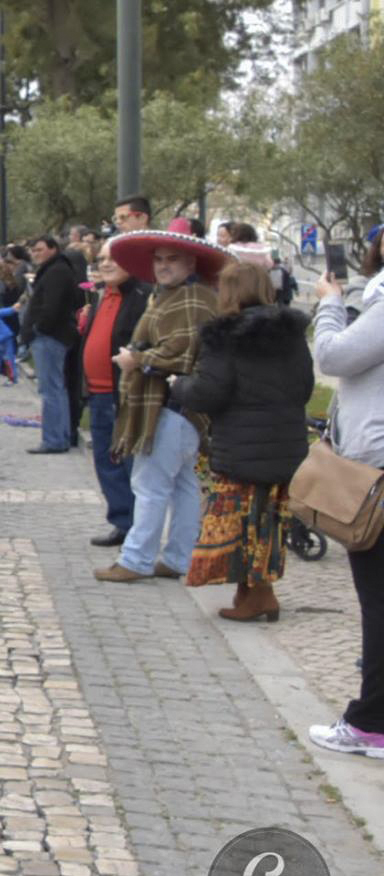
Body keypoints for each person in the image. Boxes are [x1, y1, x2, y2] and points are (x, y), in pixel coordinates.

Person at [170, 262, 313, 622]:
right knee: (268, 520)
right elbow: (306, 387)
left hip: (242, 446)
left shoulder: (225, 336)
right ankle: (251, 592)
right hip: (286, 443)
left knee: (243, 523)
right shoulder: (291, 334)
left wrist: (178, 385)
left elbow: (209, 392)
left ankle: (260, 595)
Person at [94, 231, 225, 584]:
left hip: (170, 406)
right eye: (159, 259)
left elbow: (180, 353)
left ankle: (135, 560)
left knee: (149, 486)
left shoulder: (191, 299)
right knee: (182, 485)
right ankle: (178, 557)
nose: (163, 266)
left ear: (190, 263)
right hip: (178, 408)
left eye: (172, 260)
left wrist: (134, 359)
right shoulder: (175, 295)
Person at [310, 228, 384, 758]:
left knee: (377, 599)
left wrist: (332, 306)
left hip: (376, 465)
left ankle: (370, 722)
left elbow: (334, 357)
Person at [79, 242, 148, 548]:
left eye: (113, 259)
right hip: (97, 393)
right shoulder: (102, 294)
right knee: (105, 461)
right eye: (101, 259)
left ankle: (138, 529)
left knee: (130, 465)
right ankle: (121, 522)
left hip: (123, 394)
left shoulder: (141, 296)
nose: (105, 264)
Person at [19, 235, 80, 455]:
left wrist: (38, 328)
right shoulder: (56, 269)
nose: (36, 254)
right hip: (53, 335)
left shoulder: (57, 272)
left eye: (40, 249)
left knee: (51, 389)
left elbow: (52, 306)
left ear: (53, 249)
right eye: (33, 251)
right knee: (56, 388)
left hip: (51, 336)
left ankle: (54, 439)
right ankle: (61, 436)